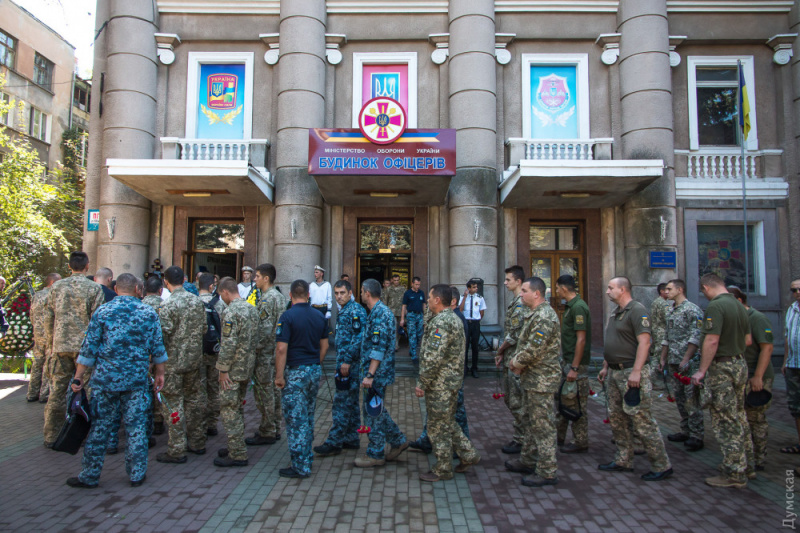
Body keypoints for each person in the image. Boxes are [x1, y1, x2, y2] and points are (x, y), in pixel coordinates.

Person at [65, 274, 168, 489]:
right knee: (137, 427)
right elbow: (158, 346)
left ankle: (90, 475)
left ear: (116, 288)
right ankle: (137, 474)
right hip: (136, 380)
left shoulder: (103, 311)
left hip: (105, 380)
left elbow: (89, 346)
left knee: (99, 428)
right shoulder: (147, 312)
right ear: (138, 289)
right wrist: (160, 372)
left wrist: (78, 376)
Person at [598, 276, 672, 482]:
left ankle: (661, 464)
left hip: (631, 373)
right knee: (617, 419)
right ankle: (623, 459)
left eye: (611, 288)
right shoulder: (617, 312)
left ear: (623, 290)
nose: (607, 291)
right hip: (614, 372)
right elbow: (614, 342)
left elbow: (645, 343)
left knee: (642, 420)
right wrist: (605, 366)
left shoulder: (637, 310)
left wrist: (637, 371)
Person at [691, 273, 751, 488]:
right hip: (739, 363)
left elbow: (712, 340)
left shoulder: (716, 306)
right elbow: (747, 339)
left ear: (706, 287)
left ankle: (734, 472)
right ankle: (746, 464)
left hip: (722, 368)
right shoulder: (738, 305)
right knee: (739, 415)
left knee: (725, 419)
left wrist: (701, 370)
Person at [415, 284, 480, 482]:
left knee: (437, 427)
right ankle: (468, 454)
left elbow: (433, 357)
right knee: (448, 422)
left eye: (429, 297)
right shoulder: (452, 317)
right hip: (451, 382)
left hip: (440, 384)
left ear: (437, 300)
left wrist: (422, 383)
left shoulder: (442, 322)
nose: (427, 301)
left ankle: (442, 469)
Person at [42, 251, 105, 448]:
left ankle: (52, 434)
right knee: (87, 390)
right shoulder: (94, 288)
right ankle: (85, 433)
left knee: (57, 391)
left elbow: (48, 317)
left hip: (60, 346)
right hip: (84, 349)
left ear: (70, 266)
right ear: (87, 266)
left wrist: (51, 343)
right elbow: (98, 321)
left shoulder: (56, 287)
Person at [504, 277, 561, 487]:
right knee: (530, 421)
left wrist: (516, 361)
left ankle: (547, 470)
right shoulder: (534, 314)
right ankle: (528, 460)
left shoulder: (544, 316)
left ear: (536, 293)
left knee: (542, 425)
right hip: (532, 378)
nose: (521, 293)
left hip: (541, 380)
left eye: (525, 290)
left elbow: (534, 348)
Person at [274, 280, 329, 478]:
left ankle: (300, 465)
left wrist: (279, 376)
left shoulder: (287, 316)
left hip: (295, 371)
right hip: (313, 370)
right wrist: (315, 362)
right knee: (307, 416)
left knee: (296, 420)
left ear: (290, 295)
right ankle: (306, 458)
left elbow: (281, 349)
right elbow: (325, 346)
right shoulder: (319, 316)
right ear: (308, 295)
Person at [156, 266, 208, 464]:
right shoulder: (196, 302)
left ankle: (177, 448)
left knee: (173, 402)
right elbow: (204, 328)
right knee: (194, 400)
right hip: (194, 361)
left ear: (166, 282)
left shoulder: (168, 305)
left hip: (173, 364)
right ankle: (197, 441)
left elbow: (161, 335)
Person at [354, 278, 409, 467]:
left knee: (373, 412)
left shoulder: (379, 314)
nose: (360, 294)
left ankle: (375, 453)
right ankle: (398, 440)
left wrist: (370, 374)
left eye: (361, 291)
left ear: (367, 292)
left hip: (377, 373)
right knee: (376, 409)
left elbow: (378, 347)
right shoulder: (379, 312)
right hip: (378, 371)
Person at [315, 279, 366, 457]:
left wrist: (347, 360)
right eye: (336, 293)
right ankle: (351, 438)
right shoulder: (343, 310)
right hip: (344, 363)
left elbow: (359, 337)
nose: (339, 296)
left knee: (340, 403)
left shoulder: (355, 311)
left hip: (349, 365)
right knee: (350, 402)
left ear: (350, 293)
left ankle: (334, 441)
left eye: (342, 293)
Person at [213, 277, 259, 467]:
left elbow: (228, 344)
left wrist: (223, 369)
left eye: (220, 295)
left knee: (229, 410)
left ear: (225, 292)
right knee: (237, 407)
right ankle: (236, 445)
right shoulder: (251, 308)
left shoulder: (230, 311)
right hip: (247, 367)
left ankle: (238, 453)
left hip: (232, 370)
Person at [729, 286, 774, 471]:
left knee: (756, 418)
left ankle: (759, 458)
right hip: (741, 375)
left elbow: (767, 348)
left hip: (757, 376)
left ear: (739, 301)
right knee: (742, 417)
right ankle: (745, 456)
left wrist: (758, 376)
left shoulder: (757, 318)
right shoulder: (735, 319)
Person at [658, 279, 705, 451]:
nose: (666, 291)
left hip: (688, 363)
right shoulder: (670, 310)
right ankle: (685, 430)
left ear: (680, 289)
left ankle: (697, 435)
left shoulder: (692, 309)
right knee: (680, 398)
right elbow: (667, 336)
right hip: (673, 360)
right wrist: (663, 357)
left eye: (670, 289)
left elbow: (696, 336)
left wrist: (686, 359)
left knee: (692, 399)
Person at [249, 263, 287, 446]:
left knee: (264, 393)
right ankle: (275, 426)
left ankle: (267, 430)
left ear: (266, 278)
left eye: (256, 276)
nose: (254, 279)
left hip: (266, 354)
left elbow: (264, 331)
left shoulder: (267, 299)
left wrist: (252, 348)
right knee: (274, 392)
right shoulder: (279, 297)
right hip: (276, 353)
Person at [494, 265, 530, 455]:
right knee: (512, 400)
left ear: (518, 281)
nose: (505, 283)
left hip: (516, 359)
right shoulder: (516, 302)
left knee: (517, 402)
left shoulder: (520, 304)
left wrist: (500, 350)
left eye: (508, 280)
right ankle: (521, 437)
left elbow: (514, 334)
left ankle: (523, 439)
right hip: (511, 357)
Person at [555, 274, 592, 454]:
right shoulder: (571, 306)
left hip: (575, 364)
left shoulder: (578, 307)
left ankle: (580, 440)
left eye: (557, 288)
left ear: (563, 288)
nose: (555, 291)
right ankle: (558, 436)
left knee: (576, 403)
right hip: (567, 361)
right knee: (563, 400)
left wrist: (575, 368)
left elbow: (581, 339)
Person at [198, 273, 226, 437]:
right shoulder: (220, 304)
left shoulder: (193, 303)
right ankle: (212, 423)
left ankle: (199, 424)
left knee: (199, 390)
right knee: (214, 390)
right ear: (211, 286)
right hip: (216, 352)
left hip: (198, 353)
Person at [27, 273, 61, 403]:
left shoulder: (37, 295)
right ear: (52, 282)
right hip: (50, 334)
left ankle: (32, 393)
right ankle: (44, 394)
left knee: (37, 363)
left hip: (38, 334)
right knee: (49, 363)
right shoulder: (54, 295)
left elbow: (31, 315)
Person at [782, 278, 800, 454]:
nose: (797, 293)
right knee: (796, 407)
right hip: (794, 364)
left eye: (799, 289)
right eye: (793, 290)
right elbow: (788, 337)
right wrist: (785, 360)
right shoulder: (791, 310)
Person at [460, 280, 486, 378]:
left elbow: (482, 312)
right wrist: (465, 297)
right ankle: (465, 368)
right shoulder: (463, 298)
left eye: (476, 287)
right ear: (469, 288)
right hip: (466, 323)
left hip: (475, 323)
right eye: (474, 287)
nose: (476, 288)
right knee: (465, 346)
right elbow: (461, 309)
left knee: (475, 346)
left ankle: (474, 368)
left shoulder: (480, 298)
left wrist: (477, 320)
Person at [649, 283, 672, 387]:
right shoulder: (663, 304)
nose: (668, 292)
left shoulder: (656, 302)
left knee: (657, 355)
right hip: (662, 333)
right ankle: (650, 380)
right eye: (667, 289)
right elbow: (668, 319)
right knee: (658, 357)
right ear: (662, 291)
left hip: (656, 331)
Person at [401, 276, 427, 364]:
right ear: (412, 284)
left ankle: (412, 350)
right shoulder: (407, 293)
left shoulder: (421, 293)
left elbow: (424, 305)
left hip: (419, 315)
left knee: (419, 334)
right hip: (411, 315)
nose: (417, 286)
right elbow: (404, 306)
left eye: (419, 284)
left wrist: (425, 317)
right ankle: (414, 355)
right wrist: (402, 319)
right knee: (412, 334)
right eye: (416, 284)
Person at [384, 274, 406, 351]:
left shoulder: (403, 289)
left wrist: (405, 311)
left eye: (397, 280)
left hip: (400, 312)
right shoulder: (388, 289)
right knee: (393, 328)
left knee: (399, 329)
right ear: (392, 280)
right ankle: (394, 344)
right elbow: (385, 301)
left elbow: (405, 301)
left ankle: (397, 343)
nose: (396, 282)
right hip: (391, 311)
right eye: (395, 280)